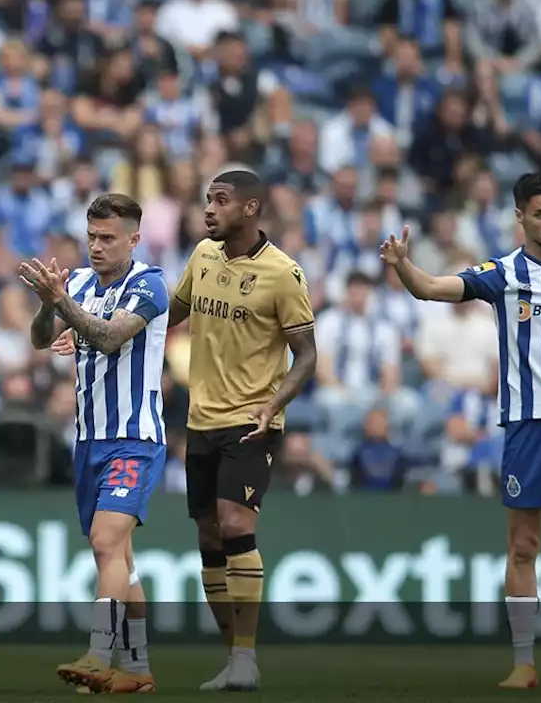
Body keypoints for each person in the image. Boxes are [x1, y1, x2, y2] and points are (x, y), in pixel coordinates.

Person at [380, 172, 541, 690]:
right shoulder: (502, 273)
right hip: (526, 425)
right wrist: (404, 266)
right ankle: (524, 662)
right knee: (524, 545)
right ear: (519, 216)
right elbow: (435, 289)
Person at [167, 170, 318, 692]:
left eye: (221, 200)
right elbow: (172, 314)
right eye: (207, 199)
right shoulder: (201, 258)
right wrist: (112, 329)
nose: (208, 209)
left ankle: (248, 656)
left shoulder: (283, 274)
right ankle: (233, 657)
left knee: (235, 524)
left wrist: (274, 402)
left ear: (251, 209)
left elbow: (307, 354)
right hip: (200, 420)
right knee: (208, 533)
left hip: (252, 421)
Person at [21, 193, 167, 694]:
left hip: (134, 438)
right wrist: (48, 306)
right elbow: (41, 339)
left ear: (133, 238)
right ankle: (139, 669)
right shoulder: (80, 282)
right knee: (119, 560)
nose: (97, 247)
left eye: (108, 238)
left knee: (106, 544)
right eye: (91, 237)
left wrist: (62, 304)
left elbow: (109, 337)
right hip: (89, 441)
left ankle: (98, 656)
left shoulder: (149, 284)